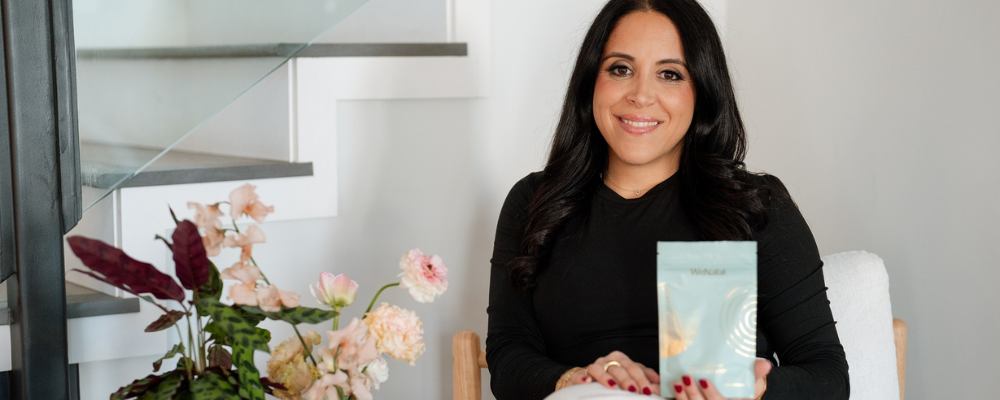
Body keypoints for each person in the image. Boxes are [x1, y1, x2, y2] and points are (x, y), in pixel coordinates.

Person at [485, 0, 850, 399]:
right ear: (592, 80)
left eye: (670, 74)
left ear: (703, 91)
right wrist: (579, 379)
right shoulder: (533, 203)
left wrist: (755, 388)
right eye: (621, 69)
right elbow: (508, 357)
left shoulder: (757, 206)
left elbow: (827, 375)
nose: (642, 95)